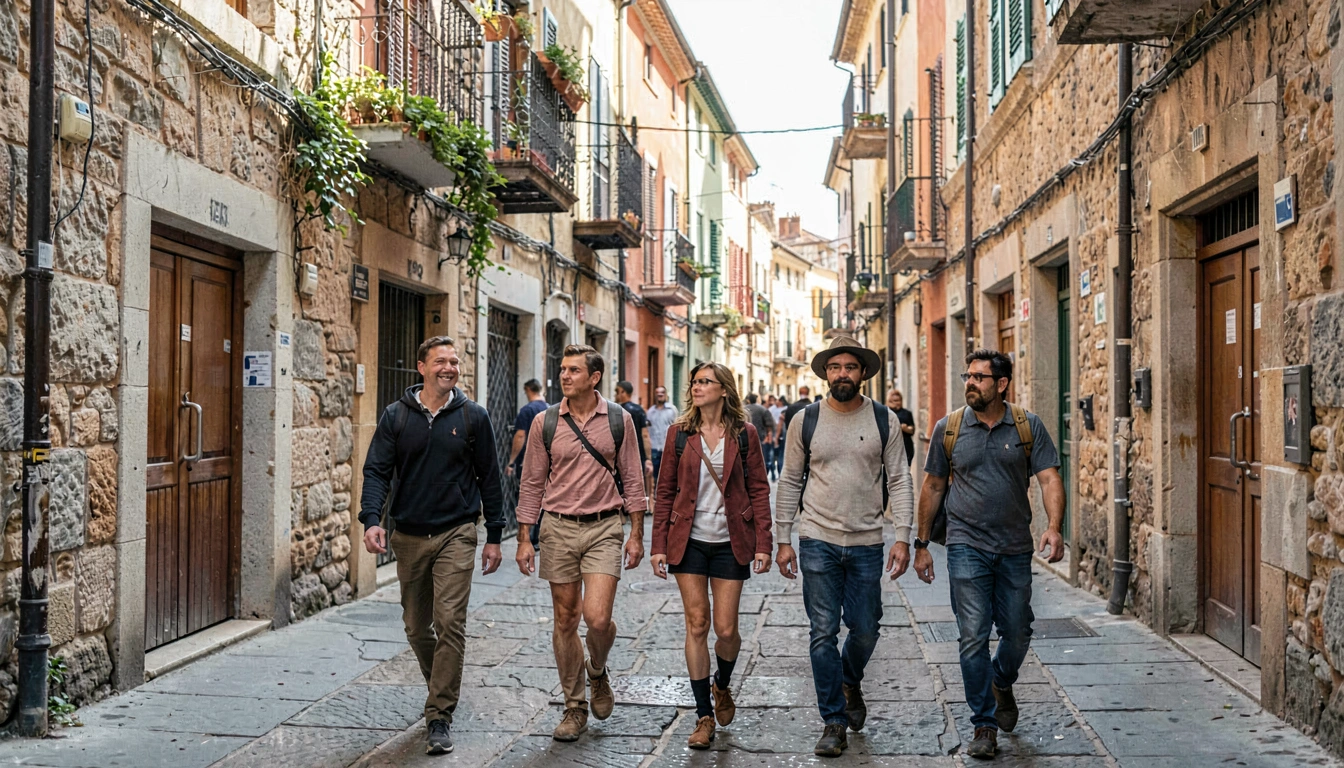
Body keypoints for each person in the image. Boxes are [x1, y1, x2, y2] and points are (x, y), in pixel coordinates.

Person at [914, 349, 1064, 760]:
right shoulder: (950, 428)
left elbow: (1050, 478)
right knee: (973, 636)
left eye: (980, 378)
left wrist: (1053, 527)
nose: (971, 383)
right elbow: (932, 487)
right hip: (965, 546)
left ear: (1001, 384)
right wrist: (922, 545)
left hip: (1015, 546)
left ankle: (1001, 681)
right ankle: (983, 724)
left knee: (1017, 631)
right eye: (969, 376)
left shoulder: (1026, 425)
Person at [359, 336, 505, 756]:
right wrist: (372, 519)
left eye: (455, 361)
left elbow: (490, 479)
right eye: (441, 361)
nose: (449, 367)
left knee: (450, 623)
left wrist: (494, 535)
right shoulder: (395, 417)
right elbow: (376, 472)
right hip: (407, 534)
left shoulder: (474, 417)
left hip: (456, 531)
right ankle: (442, 680)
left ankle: (439, 714)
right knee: (415, 627)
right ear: (421, 367)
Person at [774, 337, 914, 758]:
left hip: (868, 541)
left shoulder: (884, 420)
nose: (842, 374)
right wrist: (783, 539)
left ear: (863, 373)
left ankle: (849, 680)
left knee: (866, 627)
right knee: (822, 633)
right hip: (817, 539)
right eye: (834, 367)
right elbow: (790, 480)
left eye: (850, 367)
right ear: (825, 374)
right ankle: (833, 720)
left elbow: (901, 480)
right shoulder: (806, 420)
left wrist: (904, 535)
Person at [515, 346, 647, 742]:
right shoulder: (545, 422)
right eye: (561, 369)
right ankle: (574, 706)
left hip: (605, 526)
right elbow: (532, 482)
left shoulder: (620, 420)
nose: (564, 376)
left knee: (598, 618)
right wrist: (525, 538)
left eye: (573, 370)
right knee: (565, 619)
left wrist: (637, 533)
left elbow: (634, 478)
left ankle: (597, 670)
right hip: (556, 528)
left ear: (595, 377)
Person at [652, 365, 774, 749]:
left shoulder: (745, 434)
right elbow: (665, 492)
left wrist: (764, 542)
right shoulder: (678, 434)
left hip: (730, 541)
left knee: (725, 630)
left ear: (724, 390)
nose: (696, 387)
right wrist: (658, 544)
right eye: (695, 382)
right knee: (697, 623)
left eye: (705, 382)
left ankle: (722, 684)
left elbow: (758, 488)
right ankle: (703, 714)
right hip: (687, 540)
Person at [508, 379, 550, 548]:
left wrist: (511, 461)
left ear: (527, 390)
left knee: (526, 497)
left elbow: (520, 436)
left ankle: (527, 536)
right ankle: (540, 536)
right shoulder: (550, 409)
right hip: (548, 461)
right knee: (544, 498)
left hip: (529, 461)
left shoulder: (527, 410)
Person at [615, 381, 655, 496]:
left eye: (617, 391)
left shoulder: (615, 410)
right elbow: (645, 435)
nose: (615, 395)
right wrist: (648, 458)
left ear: (623, 392)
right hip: (636, 455)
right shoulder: (638, 410)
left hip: (619, 456)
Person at [647, 385, 679, 483]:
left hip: (668, 447)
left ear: (666, 395)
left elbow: (677, 427)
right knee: (656, 475)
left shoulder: (672, 410)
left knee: (669, 474)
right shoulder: (650, 412)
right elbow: (648, 430)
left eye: (662, 393)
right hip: (655, 448)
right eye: (657, 393)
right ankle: (657, 496)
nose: (660, 395)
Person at [743, 393, 777, 481]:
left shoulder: (743, 409)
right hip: (761, 437)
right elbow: (769, 424)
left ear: (748, 400)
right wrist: (769, 436)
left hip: (745, 437)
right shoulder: (762, 409)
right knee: (762, 459)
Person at [779, 387, 811, 477]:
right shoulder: (812, 407)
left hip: (792, 437)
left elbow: (786, 424)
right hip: (808, 439)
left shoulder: (791, 407)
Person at [886, 389, 917, 468]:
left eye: (898, 400)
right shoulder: (885, 412)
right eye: (894, 401)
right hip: (890, 447)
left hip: (905, 447)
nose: (897, 403)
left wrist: (905, 428)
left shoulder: (906, 413)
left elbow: (912, 429)